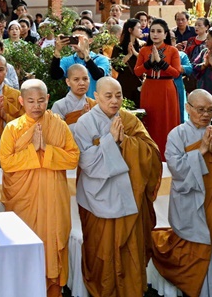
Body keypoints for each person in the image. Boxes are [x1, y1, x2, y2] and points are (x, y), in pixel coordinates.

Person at [151, 90, 212, 297]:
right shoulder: (177, 135)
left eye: (210, 110)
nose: (205, 115)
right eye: (201, 109)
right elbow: (177, 169)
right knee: (195, 249)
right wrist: (201, 151)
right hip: (191, 202)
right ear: (188, 108)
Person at [73, 77, 162, 297]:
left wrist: (125, 142)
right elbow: (87, 163)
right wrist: (110, 141)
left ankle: (131, 290)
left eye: (118, 95)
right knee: (101, 250)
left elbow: (151, 152)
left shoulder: (129, 120)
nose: (114, 100)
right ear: (96, 97)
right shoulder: (84, 123)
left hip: (129, 195)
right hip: (97, 198)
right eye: (108, 96)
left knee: (130, 249)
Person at [0, 79, 80, 297]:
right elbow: (5, 162)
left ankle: (53, 290)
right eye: (31, 101)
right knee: (25, 244)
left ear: (48, 99)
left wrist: (47, 149)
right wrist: (32, 150)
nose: (36, 106)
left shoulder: (58, 125)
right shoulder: (12, 129)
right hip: (23, 200)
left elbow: (73, 158)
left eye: (41, 100)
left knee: (53, 245)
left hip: (54, 198)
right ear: (21, 101)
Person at [134, 19, 181, 158]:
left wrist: (160, 62)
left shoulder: (172, 50)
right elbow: (137, 71)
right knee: (150, 120)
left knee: (166, 121)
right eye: (152, 31)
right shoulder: (144, 50)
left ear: (165, 34)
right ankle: (150, 155)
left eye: (159, 31)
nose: (155, 34)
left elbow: (176, 73)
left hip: (166, 89)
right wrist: (150, 63)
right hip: (149, 88)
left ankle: (167, 155)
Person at [51, 26, 110, 99]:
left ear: (90, 41)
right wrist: (57, 51)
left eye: (80, 38)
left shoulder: (101, 59)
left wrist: (85, 53)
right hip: (74, 104)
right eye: (74, 38)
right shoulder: (67, 60)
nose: (77, 42)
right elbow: (55, 75)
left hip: (95, 103)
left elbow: (98, 76)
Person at [111, 18, 144, 107]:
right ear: (130, 30)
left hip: (139, 84)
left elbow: (146, 62)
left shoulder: (141, 46)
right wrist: (129, 55)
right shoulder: (118, 47)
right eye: (138, 28)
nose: (141, 30)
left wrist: (136, 53)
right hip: (125, 84)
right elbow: (116, 66)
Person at [50, 63, 95, 128]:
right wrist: (82, 120)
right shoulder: (59, 106)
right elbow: (57, 131)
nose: (82, 83)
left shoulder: (94, 104)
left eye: (85, 79)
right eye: (76, 79)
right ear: (68, 82)